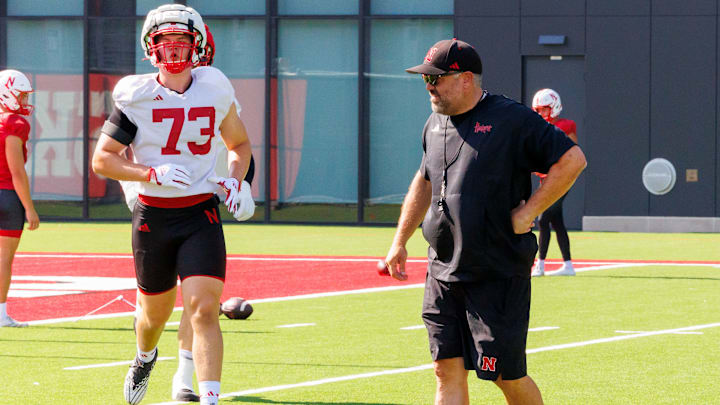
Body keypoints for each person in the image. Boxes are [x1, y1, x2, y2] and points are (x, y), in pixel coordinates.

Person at [383, 39, 586, 405]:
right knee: (445, 370)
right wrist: (400, 241)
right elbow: (424, 181)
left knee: (505, 376)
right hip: (442, 269)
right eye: (426, 80)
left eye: (437, 79)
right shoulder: (433, 123)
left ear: (465, 79)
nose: (429, 86)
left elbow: (572, 160)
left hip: (496, 271)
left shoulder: (512, 118)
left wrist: (528, 213)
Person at [91, 4, 254, 405]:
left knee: (203, 309)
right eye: (165, 44)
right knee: (153, 317)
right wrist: (151, 173)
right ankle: (145, 356)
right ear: (150, 49)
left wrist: (236, 179)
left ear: (197, 46)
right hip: (153, 214)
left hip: (200, 210)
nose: (174, 52)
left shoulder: (214, 86)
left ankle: (209, 397)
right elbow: (102, 159)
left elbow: (240, 144)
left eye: (182, 43)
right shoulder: (137, 95)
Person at [0, 69, 40, 328]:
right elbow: (16, 171)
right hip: (6, 198)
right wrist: (30, 208)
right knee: (3, 259)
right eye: (21, 96)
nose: (24, 101)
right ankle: (1, 314)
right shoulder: (15, 123)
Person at [530, 89, 577, 277]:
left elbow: (572, 154)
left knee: (544, 219)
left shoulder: (565, 126)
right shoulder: (538, 127)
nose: (540, 114)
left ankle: (539, 265)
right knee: (557, 222)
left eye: (544, 110)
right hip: (546, 179)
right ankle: (568, 265)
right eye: (538, 110)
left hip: (562, 179)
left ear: (554, 107)